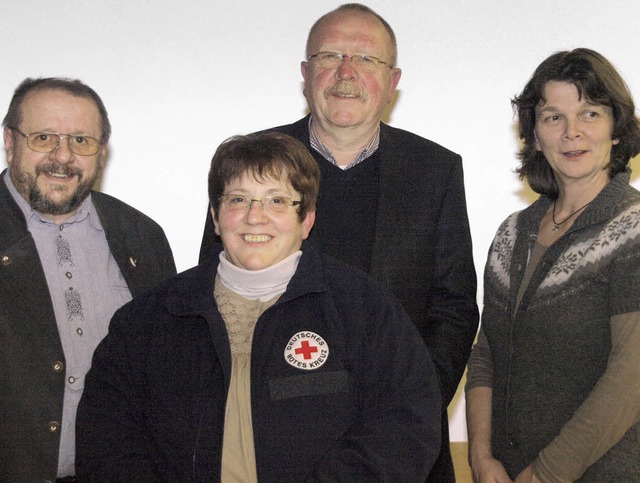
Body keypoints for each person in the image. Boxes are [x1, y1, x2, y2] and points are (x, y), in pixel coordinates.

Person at [198, 5, 479, 480]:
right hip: (271, 441)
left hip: (401, 446)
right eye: (330, 56)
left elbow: (453, 309)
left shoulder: (435, 169)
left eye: (367, 60)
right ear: (306, 74)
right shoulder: (252, 163)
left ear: (393, 82)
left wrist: (406, 410)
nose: (346, 73)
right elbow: (212, 291)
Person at [76, 132, 442, 481]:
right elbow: (108, 439)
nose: (255, 216)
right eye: (238, 199)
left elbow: (404, 428)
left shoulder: (364, 309)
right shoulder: (149, 319)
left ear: (307, 220)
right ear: (216, 218)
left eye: (277, 200)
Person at [466, 48, 640, 482]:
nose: (571, 133)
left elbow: (631, 375)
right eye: (553, 117)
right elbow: (486, 352)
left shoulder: (634, 227)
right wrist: (481, 459)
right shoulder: (512, 233)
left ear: (617, 130)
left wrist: (547, 473)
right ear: (536, 135)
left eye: (590, 114)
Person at [0, 77, 176, 481]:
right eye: (43, 137)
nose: (62, 157)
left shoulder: (143, 237)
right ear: (10, 142)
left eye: (81, 141)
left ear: (102, 152)